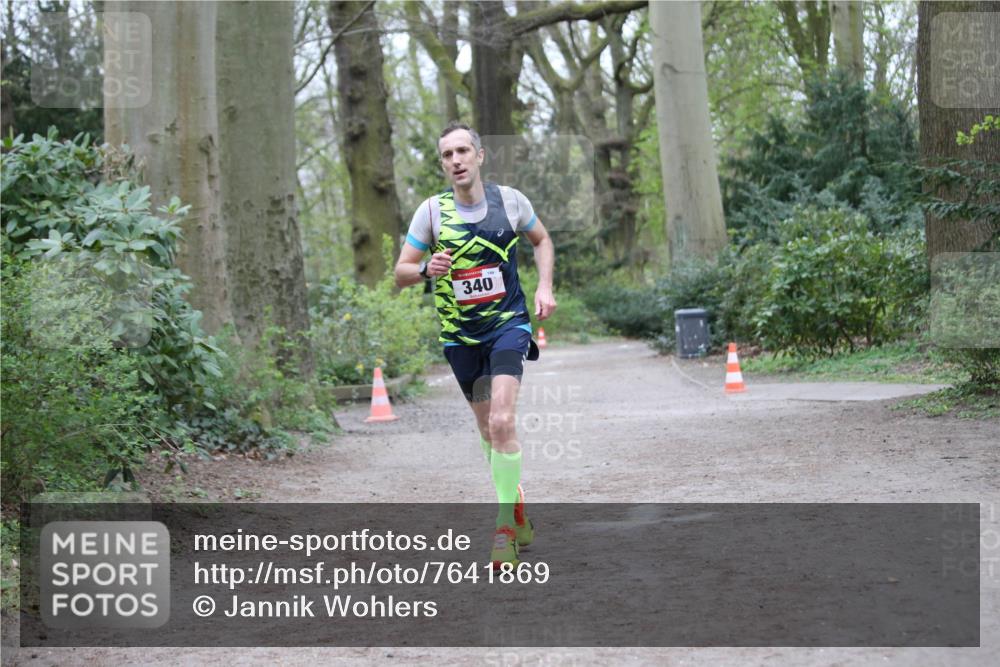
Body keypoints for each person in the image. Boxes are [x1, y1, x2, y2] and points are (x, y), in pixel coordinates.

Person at [394, 122, 557, 568]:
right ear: (443, 163)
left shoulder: (510, 202)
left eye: (463, 151)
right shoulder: (431, 213)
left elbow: (541, 240)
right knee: (488, 430)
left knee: (503, 420)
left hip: (508, 327)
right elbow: (400, 271)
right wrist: (427, 268)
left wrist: (544, 287)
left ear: (480, 156)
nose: (456, 160)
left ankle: (504, 528)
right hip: (460, 336)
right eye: (447, 155)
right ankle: (516, 501)